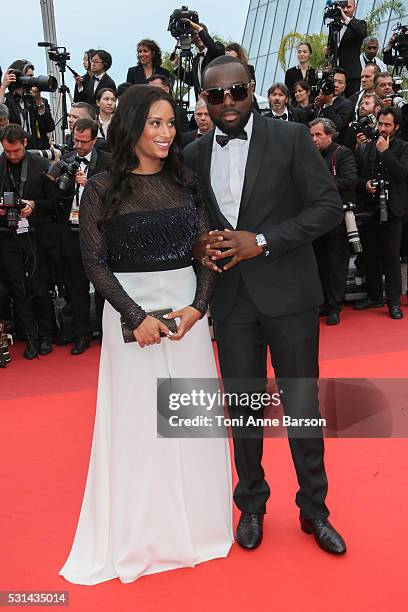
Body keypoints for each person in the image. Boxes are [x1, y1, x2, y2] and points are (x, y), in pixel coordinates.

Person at [59, 85, 233, 584]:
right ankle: (145, 533)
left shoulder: (185, 180)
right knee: (139, 424)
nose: (165, 133)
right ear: (132, 126)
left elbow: (206, 250)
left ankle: (198, 526)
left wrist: (200, 307)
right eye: (155, 123)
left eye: (171, 123)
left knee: (190, 420)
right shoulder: (100, 187)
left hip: (186, 319)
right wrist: (135, 316)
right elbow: (94, 260)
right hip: (129, 319)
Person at [186, 55, 346, 555]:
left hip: (290, 296)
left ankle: (314, 511)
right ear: (204, 100)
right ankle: (251, 505)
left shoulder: (291, 137)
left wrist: (263, 240)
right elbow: (187, 221)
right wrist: (196, 245)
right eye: (215, 95)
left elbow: (327, 208)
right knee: (245, 410)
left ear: (251, 88)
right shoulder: (192, 155)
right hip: (232, 301)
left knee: (300, 406)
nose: (227, 102)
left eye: (235, 91)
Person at [0, 124, 56, 359]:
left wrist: (34, 205)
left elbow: (54, 203)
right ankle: (31, 337)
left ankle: (46, 335)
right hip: (6, 235)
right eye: (7, 151)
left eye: (16, 151)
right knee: (17, 288)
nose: (12, 156)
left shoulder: (41, 165)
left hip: (34, 234)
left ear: (25, 143)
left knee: (38, 287)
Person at [56, 118, 111, 355]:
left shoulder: (108, 162)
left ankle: (105, 331)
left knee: (102, 287)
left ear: (95, 140)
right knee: (76, 287)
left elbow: (117, 194)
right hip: (71, 232)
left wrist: (90, 185)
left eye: (83, 141)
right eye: (75, 140)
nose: (78, 145)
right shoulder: (67, 160)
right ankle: (81, 335)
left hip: (98, 232)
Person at [354, 106, 408, 319]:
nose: (383, 128)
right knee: (370, 254)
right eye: (381, 123)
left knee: (391, 256)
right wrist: (365, 184)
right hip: (370, 208)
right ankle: (373, 294)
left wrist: (385, 153)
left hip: (393, 209)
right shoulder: (366, 148)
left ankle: (393, 301)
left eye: (388, 125)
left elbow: (402, 173)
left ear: (396, 126)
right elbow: (356, 176)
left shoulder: (403, 148)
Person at [309, 118, 357, 325]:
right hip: (313, 218)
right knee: (319, 262)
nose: (314, 139)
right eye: (311, 135)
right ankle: (323, 303)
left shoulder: (342, 153)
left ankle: (335, 307)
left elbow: (349, 180)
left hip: (336, 217)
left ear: (330, 135)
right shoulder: (309, 156)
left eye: (318, 135)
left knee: (336, 264)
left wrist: (320, 186)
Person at [0, 61, 55, 149]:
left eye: (33, 76)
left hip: (38, 153)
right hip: (15, 151)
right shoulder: (6, 100)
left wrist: (38, 100)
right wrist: (3, 87)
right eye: (29, 76)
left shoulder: (39, 100)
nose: (32, 80)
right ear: (18, 78)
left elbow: (50, 127)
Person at [171, 20, 225, 99]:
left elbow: (215, 50)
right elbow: (191, 81)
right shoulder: (196, 60)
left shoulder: (217, 47)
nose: (197, 36)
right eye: (193, 34)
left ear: (205, 34)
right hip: (201, 103)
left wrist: (195, 26)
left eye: (199, 33)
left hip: (217, 100)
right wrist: (176, 66)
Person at [325, 0, 367, 97]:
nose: (345, 9)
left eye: (349, 7)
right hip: (336, 73)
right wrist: (328, 52)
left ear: (355, 8)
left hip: (352, 74)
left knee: (352, 102)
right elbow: (333, 48)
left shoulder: (360, 23)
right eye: (343, 7)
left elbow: (361, 34)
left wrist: (345, 18)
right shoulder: (333, 25)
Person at [312, 68, 354, 144]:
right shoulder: (320, 98)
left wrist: (328, 104)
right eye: (334, 81)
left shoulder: (347, 104)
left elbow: (337, 126)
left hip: (333, 146)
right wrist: (315, 106)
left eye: (340, 82)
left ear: (344, 86)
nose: (336, 85)